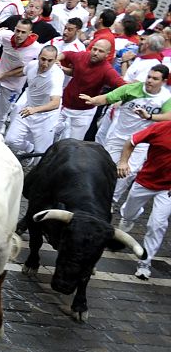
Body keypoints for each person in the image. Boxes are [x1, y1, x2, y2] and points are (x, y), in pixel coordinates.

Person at [81, 65, 171, 202]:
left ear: (163, 81)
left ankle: (112, 200)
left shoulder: (166, 97)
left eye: (155, 79)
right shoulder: (131, 89)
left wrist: (149, 117)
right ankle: (95, 196)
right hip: (118, 137)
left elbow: (169, 116)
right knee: (105, 167)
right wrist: (93, 100)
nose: (150, 81)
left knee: (127, 173)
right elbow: (107, 98)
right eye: (149, 77)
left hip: (142, 142)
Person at [116, 115, 171, 280]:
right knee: (128, 214)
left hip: (167, 189)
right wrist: (123, 162)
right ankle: (128, 218)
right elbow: (131, 141)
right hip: (145, 181)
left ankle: (144, 263)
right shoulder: (161, 128)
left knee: (157, 224)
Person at [55, 40, 126, 140]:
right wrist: (56, 59)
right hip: (64, 106)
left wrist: (106, 99)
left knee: (73, 144)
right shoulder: (82, 56)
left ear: (107, 54)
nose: (96, 53)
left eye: (100, 51)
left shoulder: (107, 70)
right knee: (49, 134)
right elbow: (66, 54)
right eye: (94, 49)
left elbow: (123, 87)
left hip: (84, 113)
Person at [4, 45, 64, 157]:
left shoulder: (57, 75)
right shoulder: (32, 65)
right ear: (39, 57)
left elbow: (55, 103)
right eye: (43, 59)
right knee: (10, 140)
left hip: (46, 117)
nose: (45, 64)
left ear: (55, 60)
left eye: (50, 61)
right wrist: (2, 75)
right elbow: (21, 72)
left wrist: (35, 110)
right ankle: (29, 149)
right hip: (28, 109)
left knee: (41, 152)